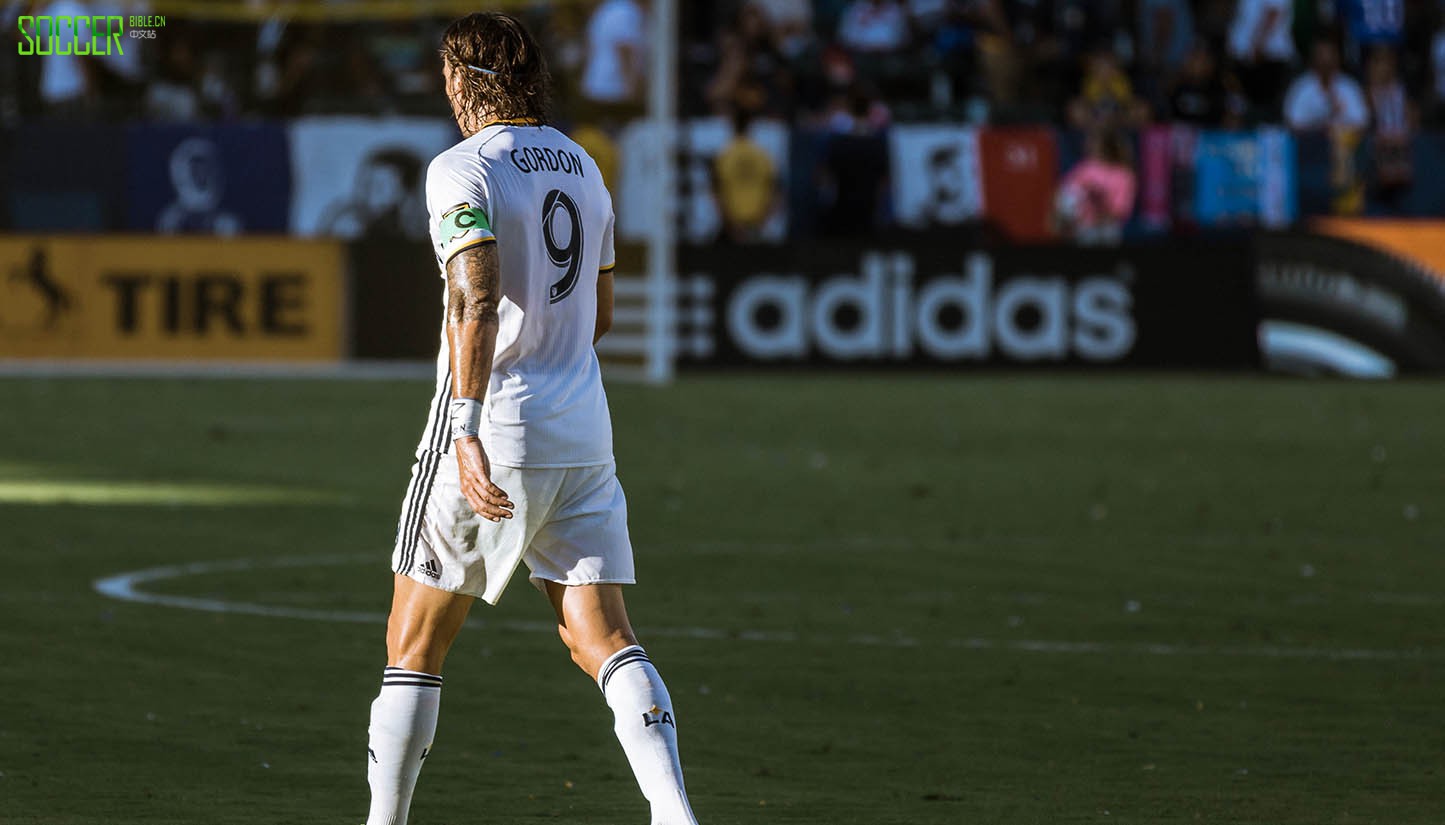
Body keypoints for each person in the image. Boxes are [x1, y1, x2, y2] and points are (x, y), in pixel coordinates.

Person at [363, 13, 700, 825]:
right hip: (581, 427)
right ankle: (673, 812)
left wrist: (468, 425)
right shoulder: (583, 165)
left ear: (459, 81)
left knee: (413, 644)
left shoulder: (459, 168)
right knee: (603, 636)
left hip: (493, 426)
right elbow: (601, 312)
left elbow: (476, 298)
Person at [1052, 130, 1137, 246]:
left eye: (1095, 142)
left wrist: (1099, 203)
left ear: (1107, 146)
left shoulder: (1124, 175)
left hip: (1106, 229)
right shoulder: (1084, 168)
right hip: (1082, 227)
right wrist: (1066, 217)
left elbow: (1119, 211)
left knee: (1108, 232)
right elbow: (1066, 193)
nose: (1089, 145)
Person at [1283, 39, 1369, 133]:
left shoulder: (1350, 86)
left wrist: (1337, 127)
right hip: (1309, 142)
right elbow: (1292, 123)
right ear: (1313, 59)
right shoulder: (1301, 86)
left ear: (1338, 58)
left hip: (1344, 142)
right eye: (1321, 55)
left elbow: (1362, 121)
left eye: (1331, 55)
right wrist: (1323, 120)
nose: (1326, 60)